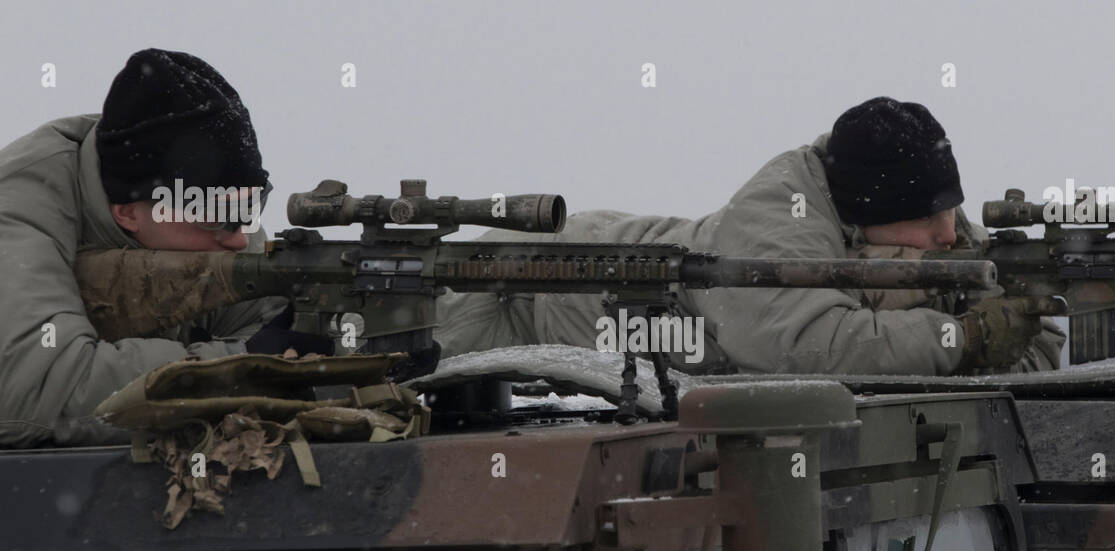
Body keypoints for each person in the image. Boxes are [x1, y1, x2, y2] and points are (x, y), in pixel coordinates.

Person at [432, 97, 1065, 375]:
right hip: (508, 293)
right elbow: (811, 349)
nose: (948, 234)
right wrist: (963, 338)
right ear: (872, 210)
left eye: (950, 209)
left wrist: (1006, 324)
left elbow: (1033, 343)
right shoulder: (777, 223)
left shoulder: (917, 226)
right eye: (928, 217)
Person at [0, 49, 329, 449]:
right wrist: (238, 367)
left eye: (248, 208)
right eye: (212, 214)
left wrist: (359, 353)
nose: (240, 238)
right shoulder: (18, 209)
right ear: (127, 212)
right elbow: (41, 395)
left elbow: (276, 343)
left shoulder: (220, 227)